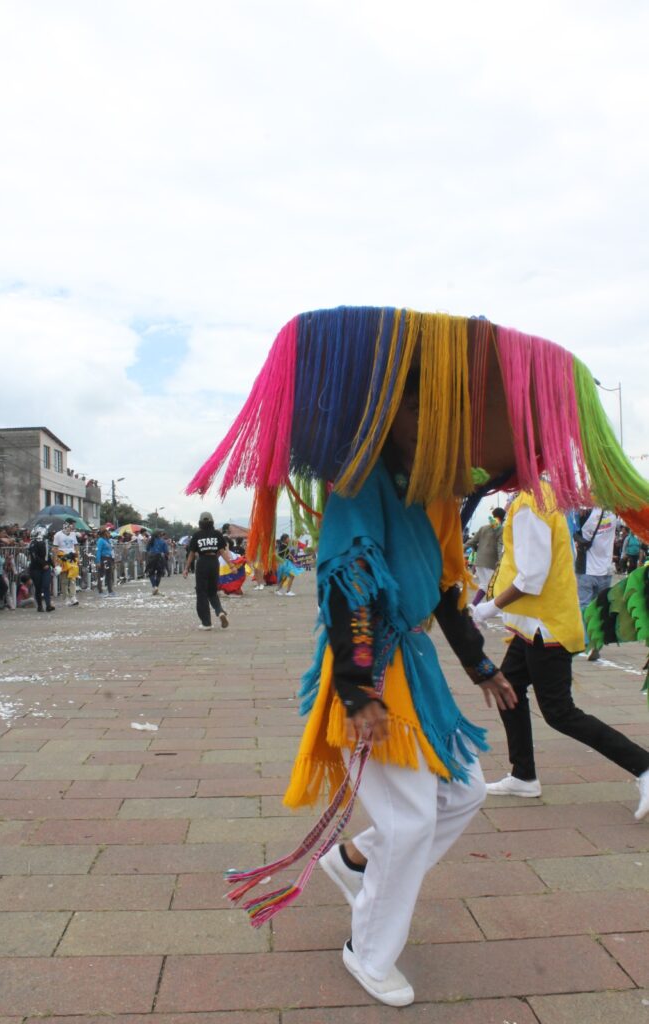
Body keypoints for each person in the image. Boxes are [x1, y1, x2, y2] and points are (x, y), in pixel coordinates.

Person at [186, 306, 649, 1008]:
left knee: (462, 794)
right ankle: (368, 949)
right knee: (410, 822)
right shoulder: (358, 480)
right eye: (415, 408)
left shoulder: (431, 491)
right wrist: (357, 689)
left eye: (438, 412)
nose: (430, 424)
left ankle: (355, 861)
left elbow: (444, 589)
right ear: (385, 412)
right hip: (372, 670)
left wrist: (482, 667)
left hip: (416, 669)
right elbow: (348, 580)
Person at [473, 483, 649, 820]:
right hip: (533, 625)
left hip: (546, 627)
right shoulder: (541, 495)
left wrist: (486, 609)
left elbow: (531, 577)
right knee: (508, 688)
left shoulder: (531, 503)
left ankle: (644, 766)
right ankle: (523, 775)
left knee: (560, 713)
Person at [572, 507, 617, 661]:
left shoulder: (584, 513)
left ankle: (587, 640)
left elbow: (572, 530)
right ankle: (596, 642)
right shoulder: (614, 512)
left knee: (584, 606)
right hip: (605, 570)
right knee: (600, 608)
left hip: (586, 570)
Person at [183, 512, 233, 629]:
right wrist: (231, 566)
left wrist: (186, 568)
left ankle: (206, 623)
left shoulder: (197, 535)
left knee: (202, 593)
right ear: (212, 522)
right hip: (214, 563)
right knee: (212, 591)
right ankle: (219, 611)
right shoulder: (217, 534)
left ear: (200, 522)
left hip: (202, 563)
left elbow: (191, 553)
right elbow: (222, 551)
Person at [466, 507, 505, 605]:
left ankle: (476, 605)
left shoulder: (483, 528)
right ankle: (480, 606)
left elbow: (472, 541)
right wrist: (500, 561)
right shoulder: (501, 529)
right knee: (491, 586)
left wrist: (460, 548)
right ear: (503, 518)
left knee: (485, 585)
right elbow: (500, 546)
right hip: (490, 562)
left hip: (479, 561)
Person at [52, 517, 80, 607]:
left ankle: (73, 597)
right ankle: (66, 598)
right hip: (62, 558)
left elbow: (76, 546)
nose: (74, 526)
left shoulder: (73, 534)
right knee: (64, 579)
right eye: (72, 524)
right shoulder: (58, 535)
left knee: (72, 578)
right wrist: (56, 562)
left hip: (72, 558)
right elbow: (55, 549)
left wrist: (78, 557)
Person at [28, 525, 55, 612]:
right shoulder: (32, 543)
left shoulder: (46, 543)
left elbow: (48, 556)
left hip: (46, 568)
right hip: (36, 568)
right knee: (38, 587)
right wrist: (43, 564)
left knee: (46, 585)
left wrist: (53, 566)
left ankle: (48, 605)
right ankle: (39, 605)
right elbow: (34, 556)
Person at [146, 530, 169, 595]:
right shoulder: (163, 541)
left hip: (151, 557)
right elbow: (166, 551)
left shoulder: (150, 541)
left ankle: (154, 587)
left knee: (151, 573)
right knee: (159, 573)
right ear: (159, 535)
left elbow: (147, 549)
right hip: (160, 557)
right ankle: (156, 587)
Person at [95, 526, 115, 596]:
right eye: (107, 532)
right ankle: (100, 591)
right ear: (104, 533)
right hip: (103, 558)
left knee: (109, 575)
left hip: (109, 558)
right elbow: (98, 551)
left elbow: (111, 550)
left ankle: (110, 590)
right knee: (101, 575)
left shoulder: (107, 540)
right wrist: (98, 561)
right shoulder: (100, 540)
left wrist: (112, 559)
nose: (109, 533)